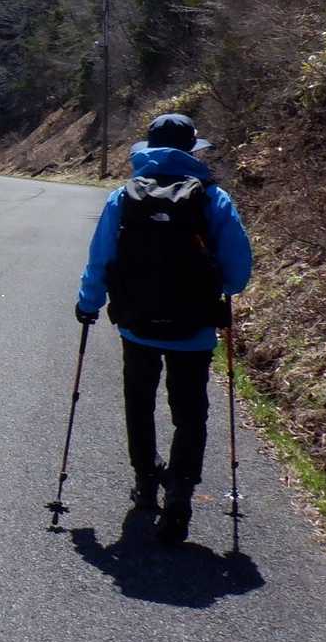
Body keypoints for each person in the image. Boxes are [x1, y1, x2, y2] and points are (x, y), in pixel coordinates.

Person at [75, 113, 252, 544]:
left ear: (148, 150)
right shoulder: (213, 198)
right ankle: (179, 495)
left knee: (139, 402)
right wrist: (217, 284)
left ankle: (145, 482)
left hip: (136, 324)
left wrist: (88, 303)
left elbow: (101, 259)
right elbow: (238, 275)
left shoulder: (123, 197)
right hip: (193, 327)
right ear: (192, 150)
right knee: (190, 412)